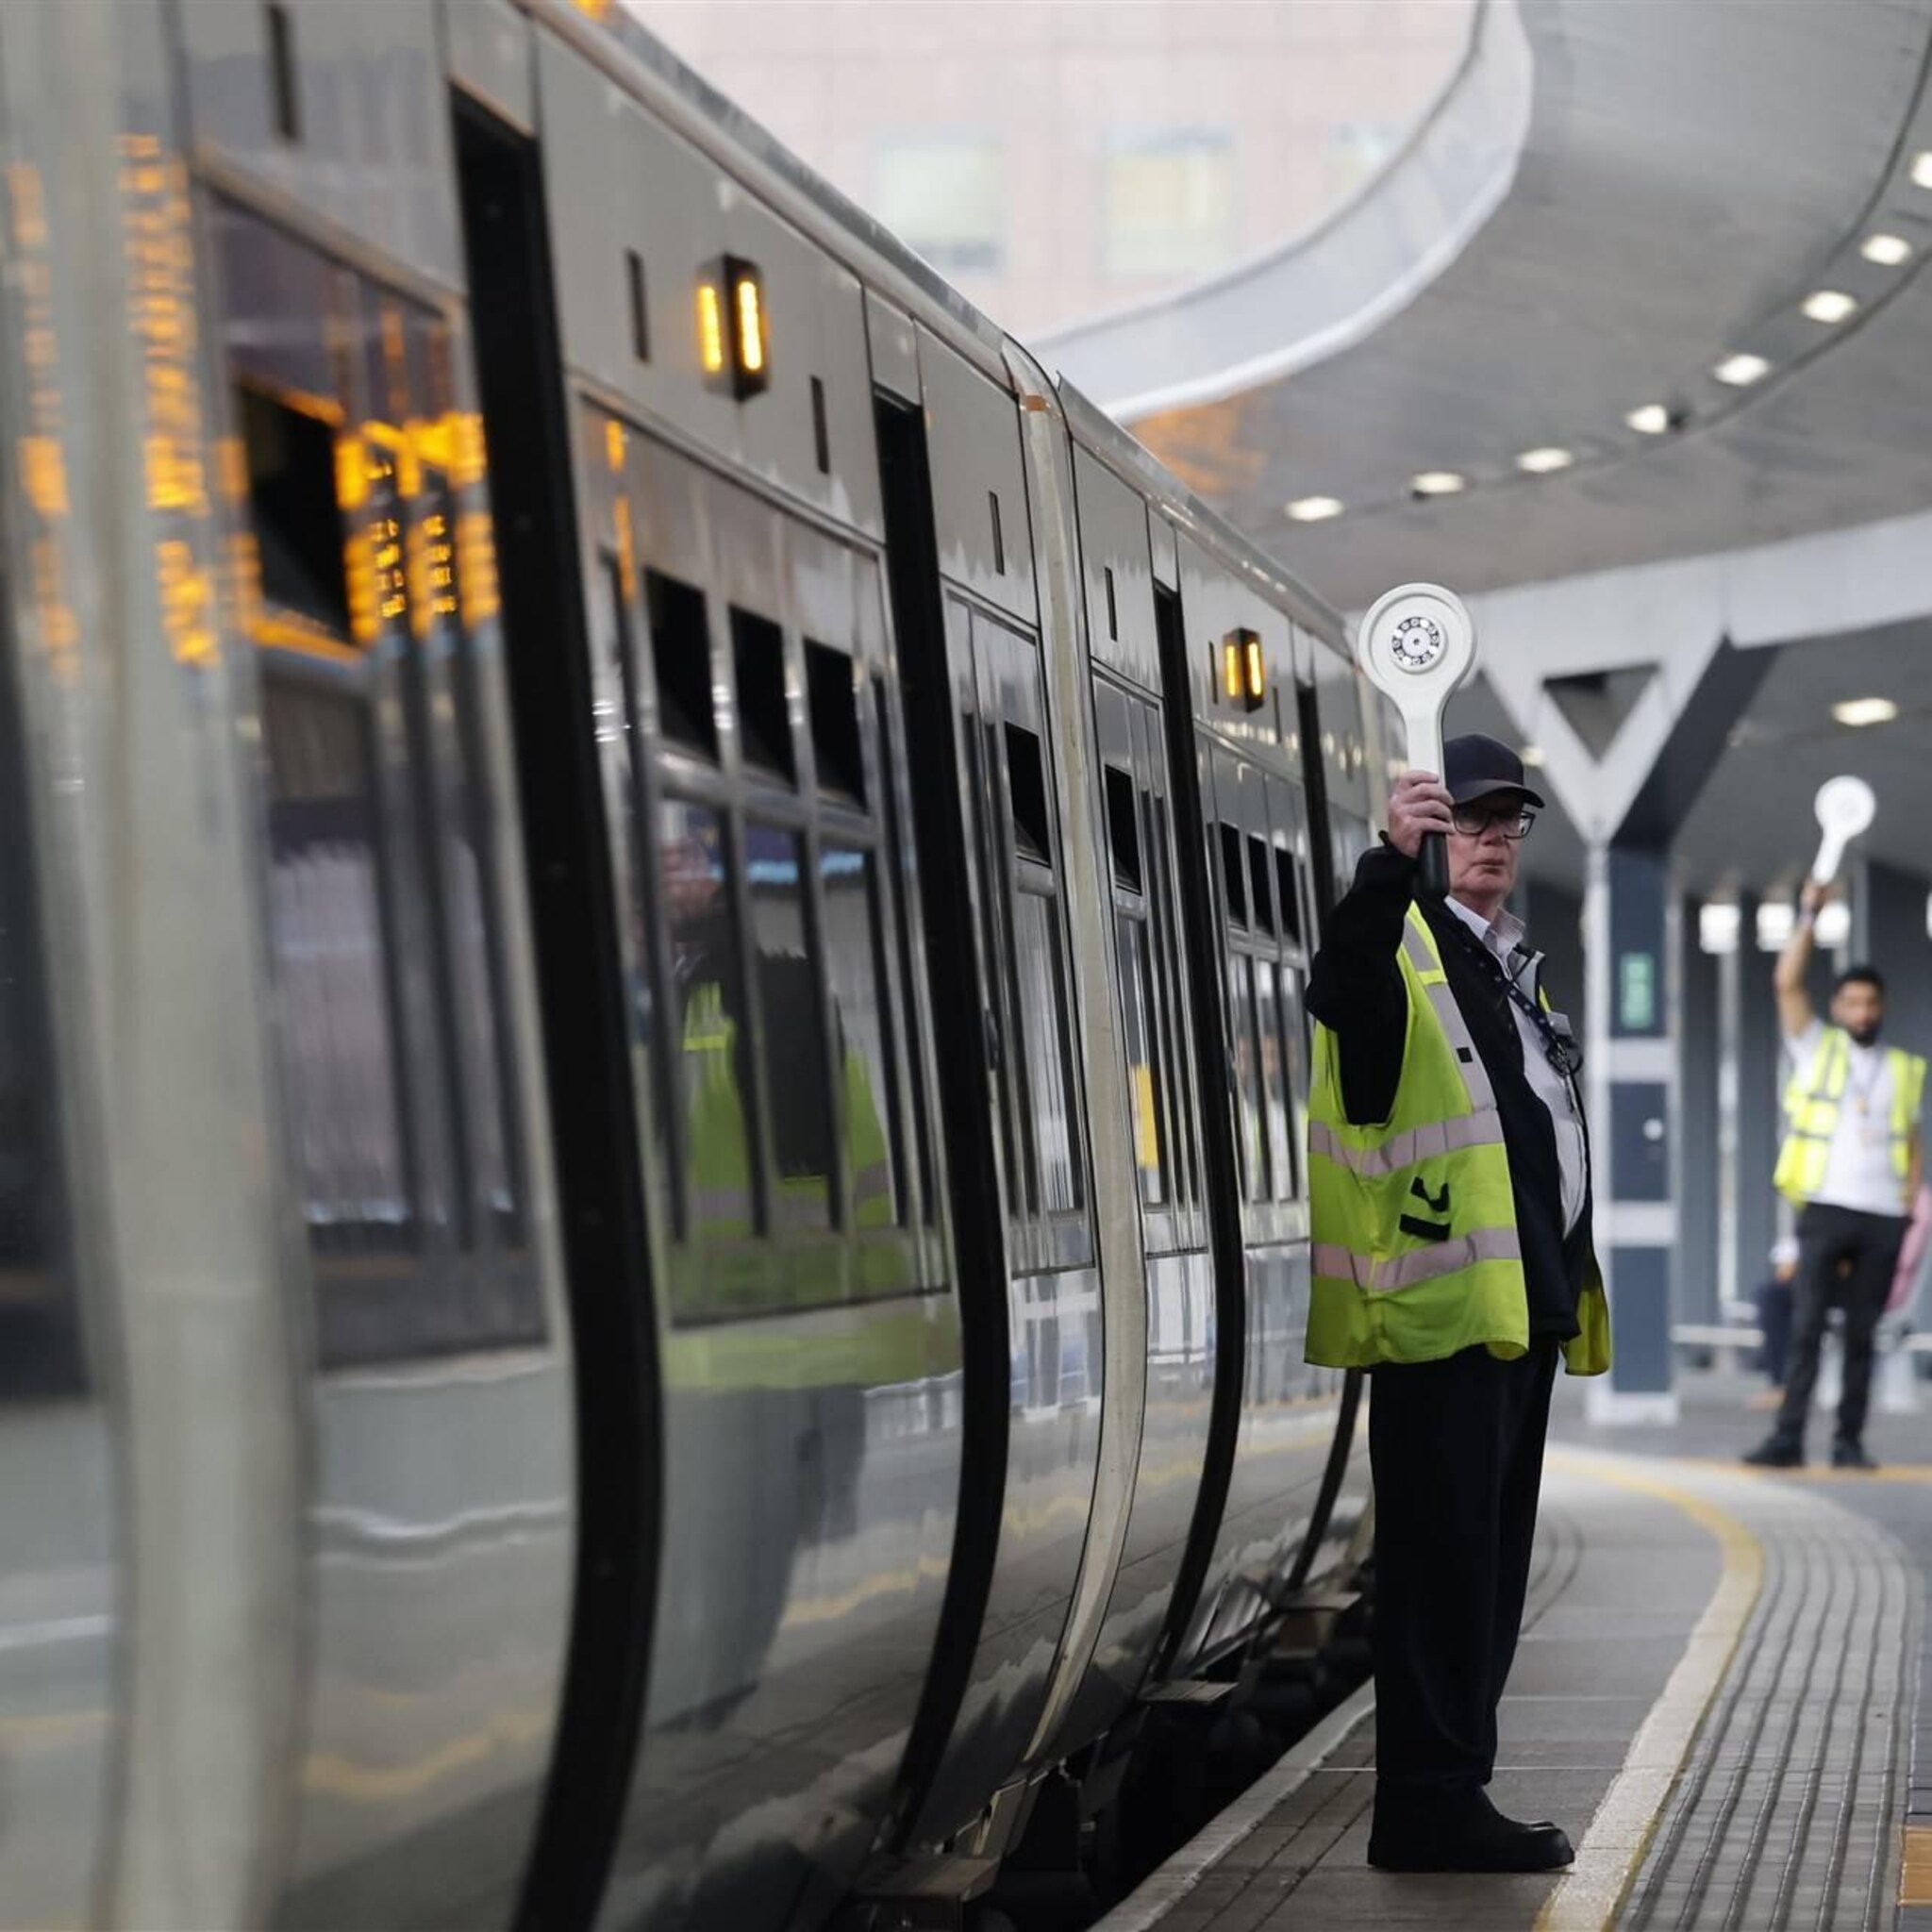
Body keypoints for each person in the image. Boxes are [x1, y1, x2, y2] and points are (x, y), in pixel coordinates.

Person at [1306, 732, 1610, 1874]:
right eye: (1468, 819)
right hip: (1441, 1320)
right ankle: (1426, 1800)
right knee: (1441, 1572)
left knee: (1483, 1570)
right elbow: (1333, 986)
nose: (1491, 838)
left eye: (1507, 821)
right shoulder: (1401, 957)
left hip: (1513, 1314)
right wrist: (1383, 863)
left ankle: (1452, 1788)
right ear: (1434, 835)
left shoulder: (1501, 966)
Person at [1743, 878, 1924, 1471]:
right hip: (1824, 1207)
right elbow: (1786, 983)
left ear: (1882, 1007)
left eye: (1871, 1004)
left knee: (1862, 1338)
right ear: (1839, 1007)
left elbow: (1912, 1140)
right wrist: (1807, 918)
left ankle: (1848, 1441)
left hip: (1882, 1217)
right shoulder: (1816, 1046)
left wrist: (1907, 1208)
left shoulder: (1902, 1069)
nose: (1863, 1012)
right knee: (1805, 1327)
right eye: (1852, 1003)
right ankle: (1789, 1438)